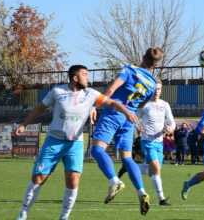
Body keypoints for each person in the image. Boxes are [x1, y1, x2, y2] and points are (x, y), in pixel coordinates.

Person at [15, 65, 136, 220]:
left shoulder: (91, 94)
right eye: (84, 74)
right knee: (38, 179)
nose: (88, 77)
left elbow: (111, 103)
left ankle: (64, 217)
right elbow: (39, 109)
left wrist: (126, 111)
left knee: (73, 181)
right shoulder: (57, 92)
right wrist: (24, 124)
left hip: (75, 145)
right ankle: (23, 214)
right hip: (54, 142)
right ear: (75, 78)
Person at [90, 47, 163, 216]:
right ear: (155, 65)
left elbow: (110, 90)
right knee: (127, 158)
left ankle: (114, 181)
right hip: (129, 119)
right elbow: (142, 105)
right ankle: (141, 192)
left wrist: (95, 105)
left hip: (113, 113)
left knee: (97, 149)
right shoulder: (152, 84)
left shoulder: (129, 70)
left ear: (143, 57)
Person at [137, 79, 176, 205]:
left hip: (159, 142)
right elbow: (134, 118)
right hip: (147, 141)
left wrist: (171, 128)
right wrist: (138, 127)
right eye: (154, 89)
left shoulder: (165, 104)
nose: (156, 91)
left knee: (152, 171)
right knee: (156, 169)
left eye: (158, 89)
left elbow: (172, 122)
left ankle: (130, 167)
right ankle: (161, 199)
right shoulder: (144, 105)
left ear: (161, 90)